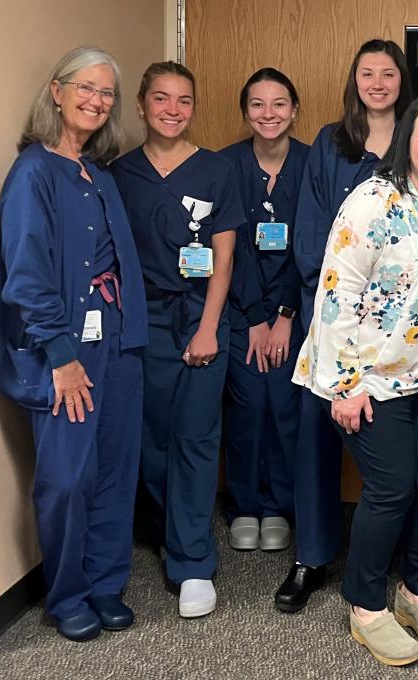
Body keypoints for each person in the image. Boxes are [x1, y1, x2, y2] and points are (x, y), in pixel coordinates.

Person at [293, 93, 418, 667]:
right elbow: (336, 293)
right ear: (407, 141)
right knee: (392, 488)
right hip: (367, 378)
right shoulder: (373, 202)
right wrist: (345, 384)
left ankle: (417, 592)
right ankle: (365, 606)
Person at [0, 46, 147, 641]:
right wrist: (60, 356)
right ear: (56, 91)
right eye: (86, 87)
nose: (97, 100)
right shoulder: (34, 172)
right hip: (64, 355)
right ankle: (67, 593)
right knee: (66, 479)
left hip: (118, 343)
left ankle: (107, 583)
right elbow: (25, 274)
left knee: (114, 470)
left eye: (107, 93)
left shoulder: (99, 174)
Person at [111, 61, 244, 619]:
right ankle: (169, 529)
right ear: (141, 105)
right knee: (149, 442)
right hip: (140, 324)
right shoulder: (119, 175)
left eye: (184, 100)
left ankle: (192, 561)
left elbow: (224, 256)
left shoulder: (216, 170)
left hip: (200, 318)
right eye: (161, 98)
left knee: (195, 437)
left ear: (195, 107)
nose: (172, 109)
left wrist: (210, 326)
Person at [285, 39, 412, 613]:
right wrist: (338, 308)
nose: (378, 82)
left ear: (402, 81)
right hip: (334, 320)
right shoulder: (329, 145)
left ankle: (391, 557)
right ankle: (310, 556)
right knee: (316, 438)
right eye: (368, 73)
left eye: (389, 73)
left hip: (398, 331)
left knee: (395, 447)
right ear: (354, 79)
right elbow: (311, 232)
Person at [219, 68, 308, 553]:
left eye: (279, 104)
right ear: (245, 112)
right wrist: (255, 317)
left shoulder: (313, 164)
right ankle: (244, 504)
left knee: (286, 406)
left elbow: (314, 246)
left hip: (295, 312)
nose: (268, 114)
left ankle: (279, 506)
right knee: (250, 403)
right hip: (241, 310)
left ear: (294, 110)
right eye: (257, 104)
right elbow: (231, 250)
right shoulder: (226, 166)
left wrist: (285, 315)